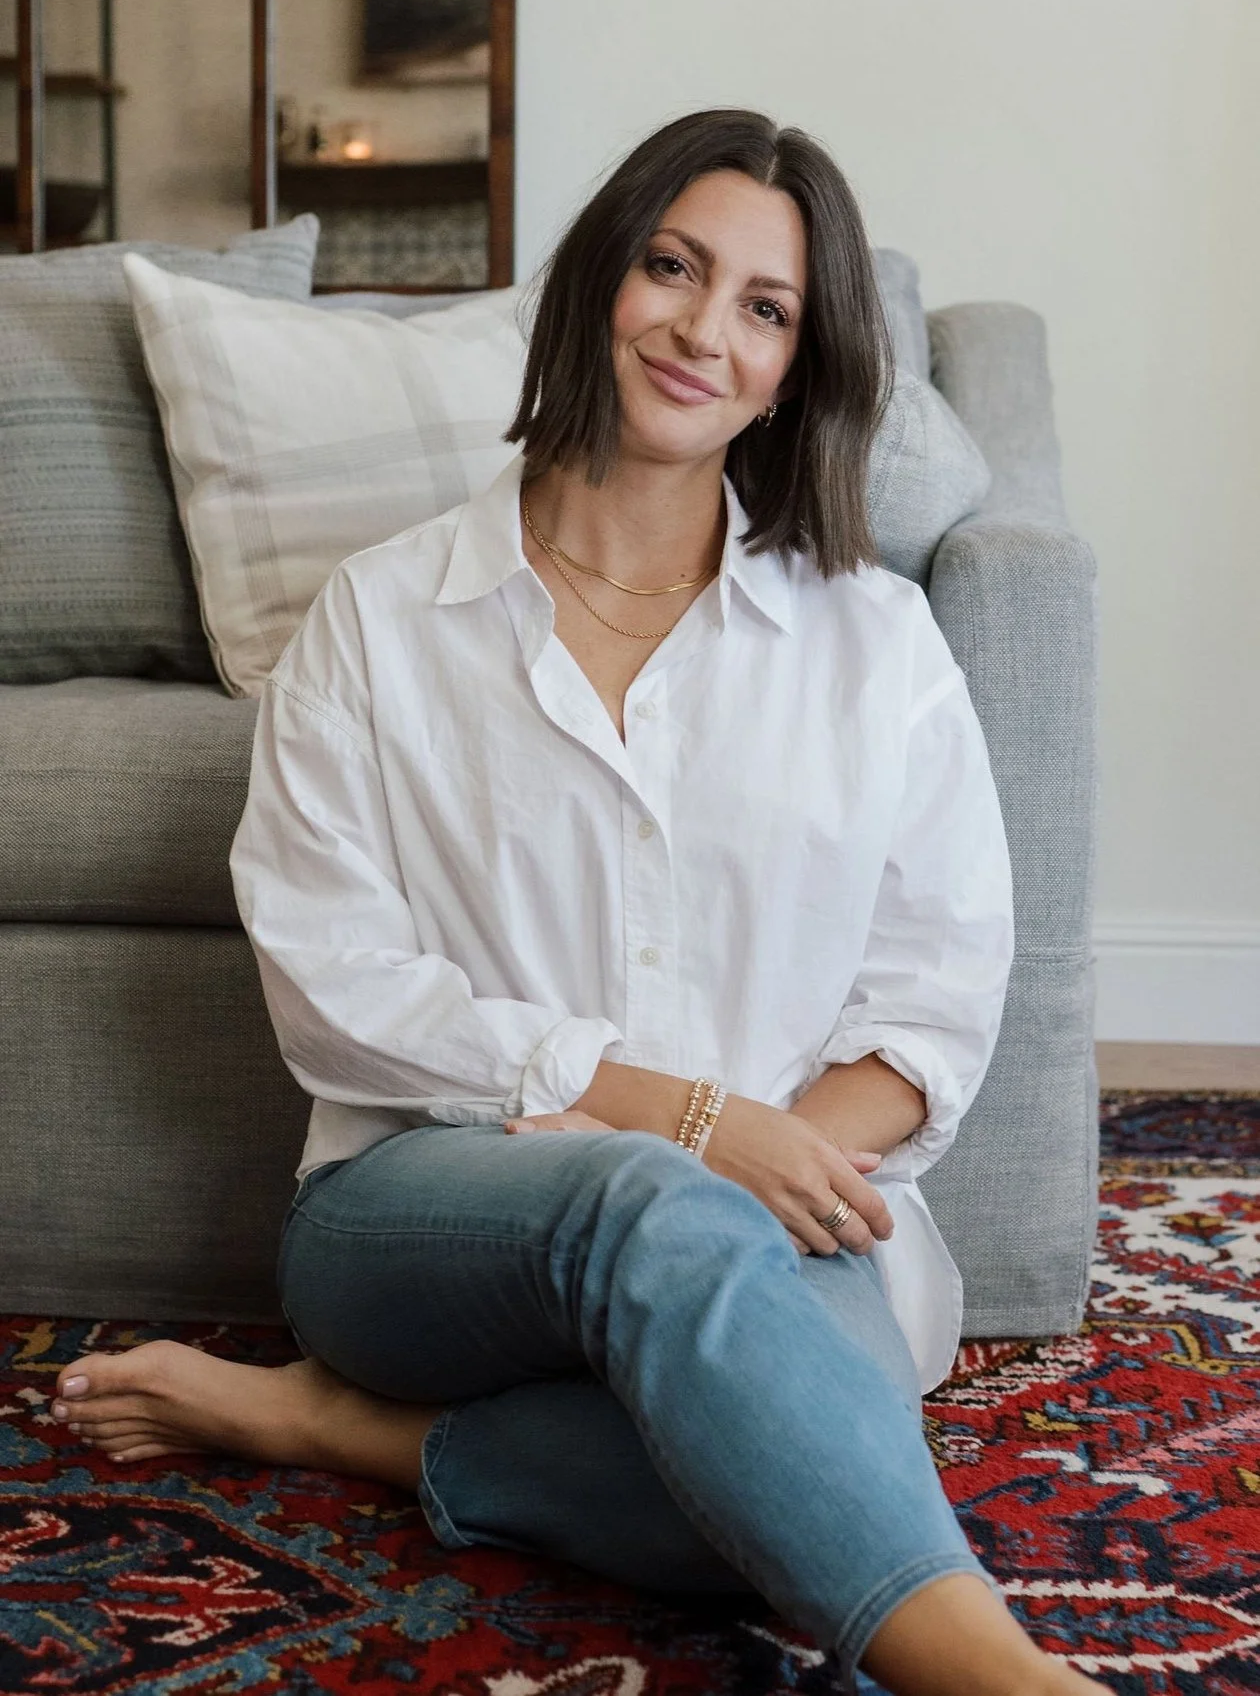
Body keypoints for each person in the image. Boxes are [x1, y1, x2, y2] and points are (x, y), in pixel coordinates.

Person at [51, 111, 1108, 1696]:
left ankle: (341, 1425)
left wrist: (760, 1158)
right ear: (600, 276)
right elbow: (339, 983)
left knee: (776, 1465)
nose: (703, 328)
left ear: (796, 368)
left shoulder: (875, 642)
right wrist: (685, 1125)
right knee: (696, 1268)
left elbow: (935, 998)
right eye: (673, 267)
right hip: (425, 1217)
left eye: (765, 307)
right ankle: (1015, 1681)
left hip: (776, 1201)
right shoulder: (382, 617)